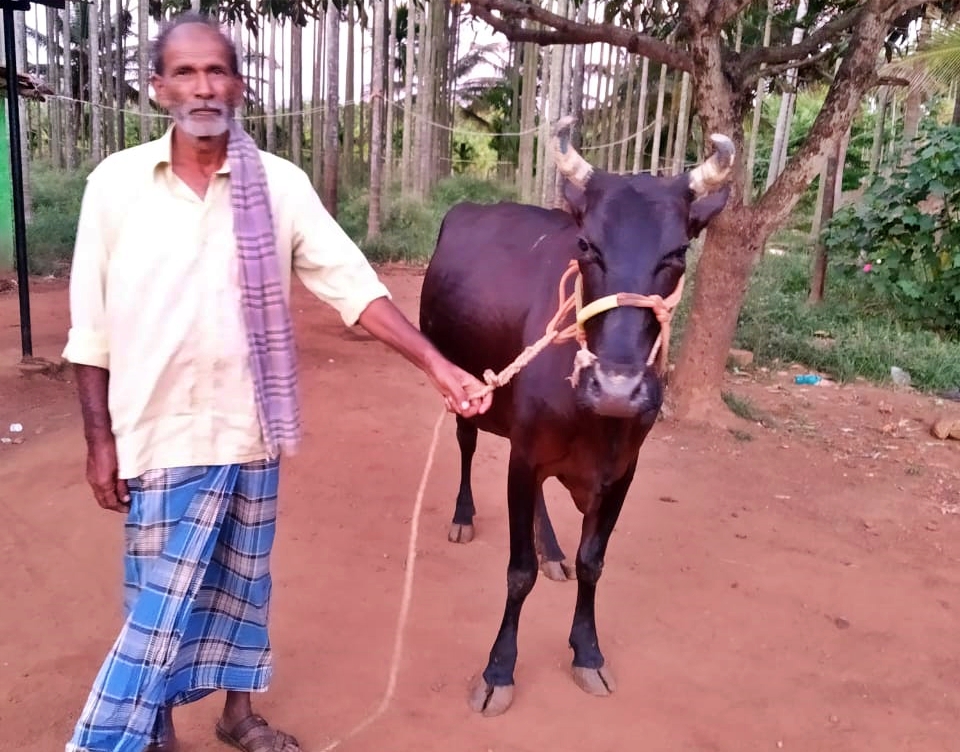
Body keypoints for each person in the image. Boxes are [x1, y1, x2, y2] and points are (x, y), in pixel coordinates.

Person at [61, 12, 492, 752]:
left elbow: (354, 288)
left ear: (240, 86)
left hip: (248, 429)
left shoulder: (279, 187)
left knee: (242, 585)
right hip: (154, 430)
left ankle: (239, 715)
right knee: (156, 603)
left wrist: (438, 366)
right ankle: (148, 728)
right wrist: (99, 440)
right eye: (186, 73)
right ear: (159, 88)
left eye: (217, 71)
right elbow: (89, 329)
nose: (203, 86)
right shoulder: (116, 185)